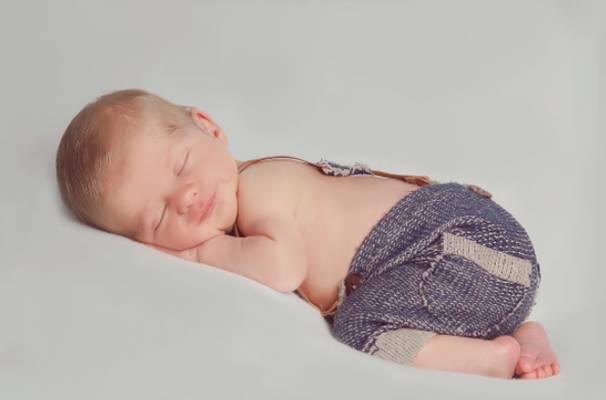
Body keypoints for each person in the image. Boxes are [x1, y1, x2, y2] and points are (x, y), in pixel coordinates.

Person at [55, 88, 560, 380]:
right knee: (392, 304)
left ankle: (489, 361)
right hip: (481, 262)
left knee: (360, 326)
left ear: (208, 127)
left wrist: (203, 252)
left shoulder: (259, 188)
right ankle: (519, 329)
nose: (186, 197)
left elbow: (283, 268)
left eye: (182, 165)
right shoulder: (256, 187)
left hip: (457, 246)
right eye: (160, 216)